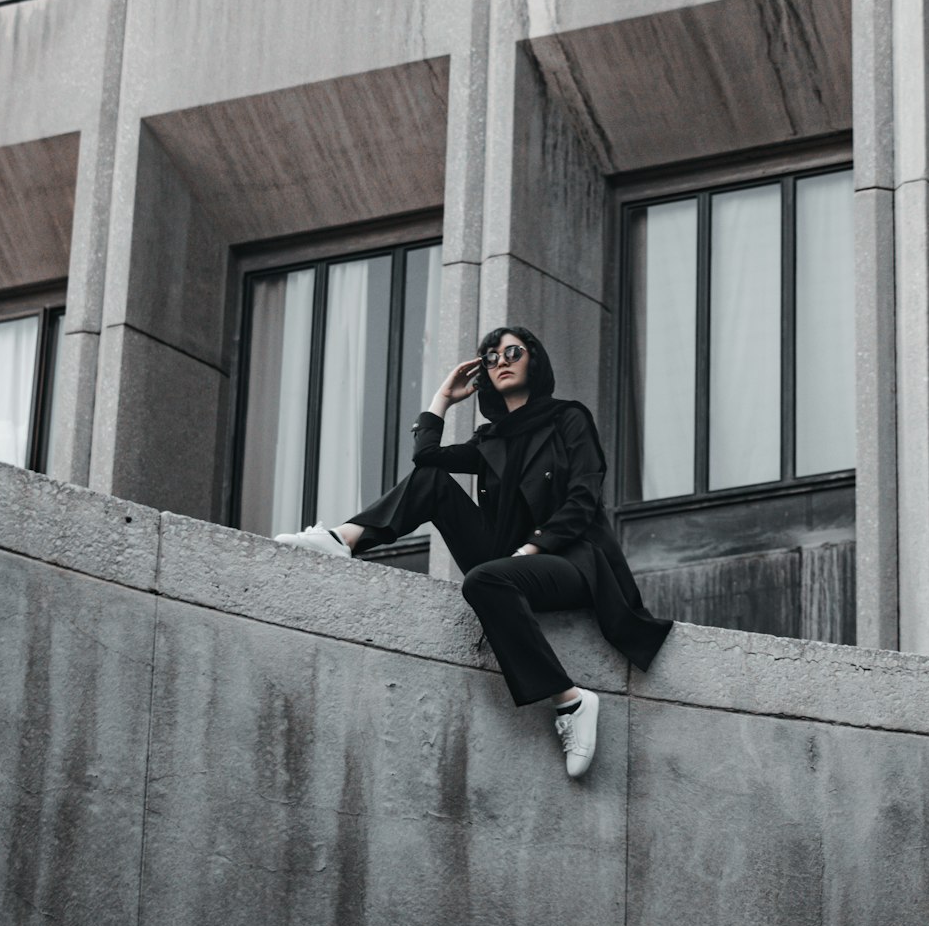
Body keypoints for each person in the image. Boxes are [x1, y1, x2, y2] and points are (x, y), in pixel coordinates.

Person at [275, 326, 673, 779]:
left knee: (483, 580)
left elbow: (583, 497)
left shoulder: (569, 419)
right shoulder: (491, 440)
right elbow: (426, 460)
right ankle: (342, 539)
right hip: (510, 562)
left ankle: (571, 700)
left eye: (513, 352)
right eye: (490, 357)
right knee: (434, 485)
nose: (501, 361)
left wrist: (532, 546)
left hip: (572, 561)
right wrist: (443, 397)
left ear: (534, 361)